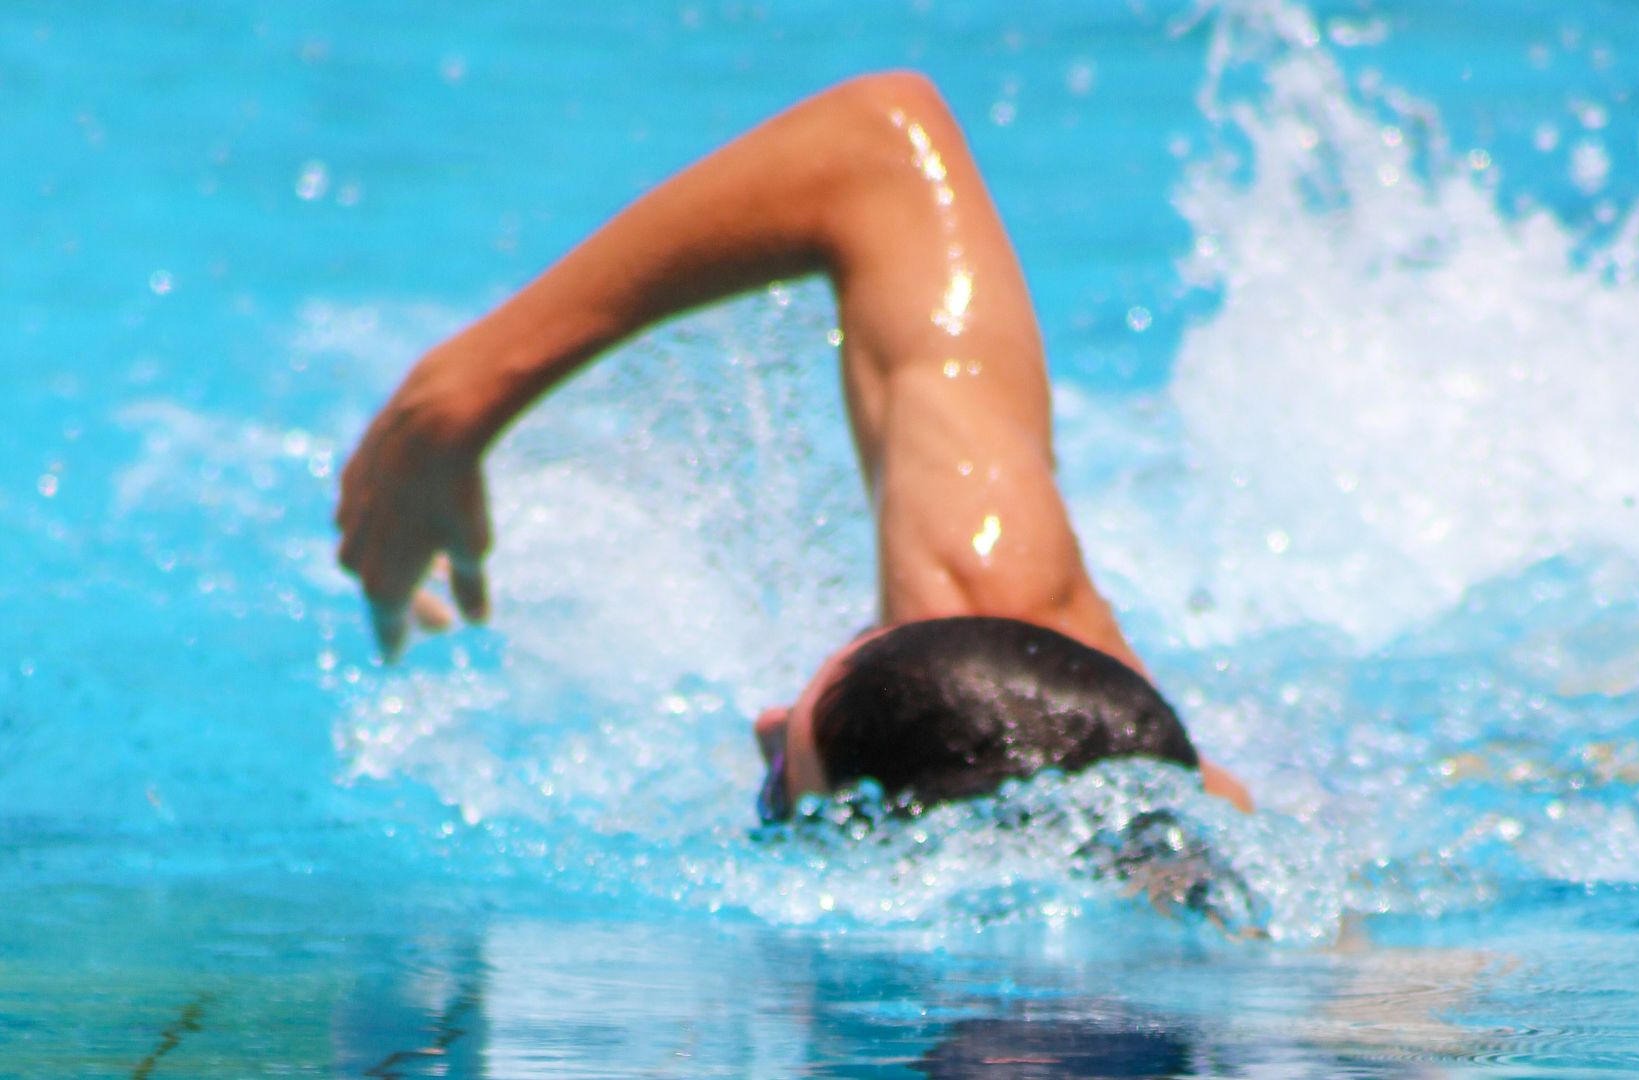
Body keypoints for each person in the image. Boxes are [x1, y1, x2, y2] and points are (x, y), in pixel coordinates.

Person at [335, 71, 1252, 819]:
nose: (763, 723)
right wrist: (457, 397)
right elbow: (880, 148)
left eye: (782, 788)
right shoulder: (993, 620)